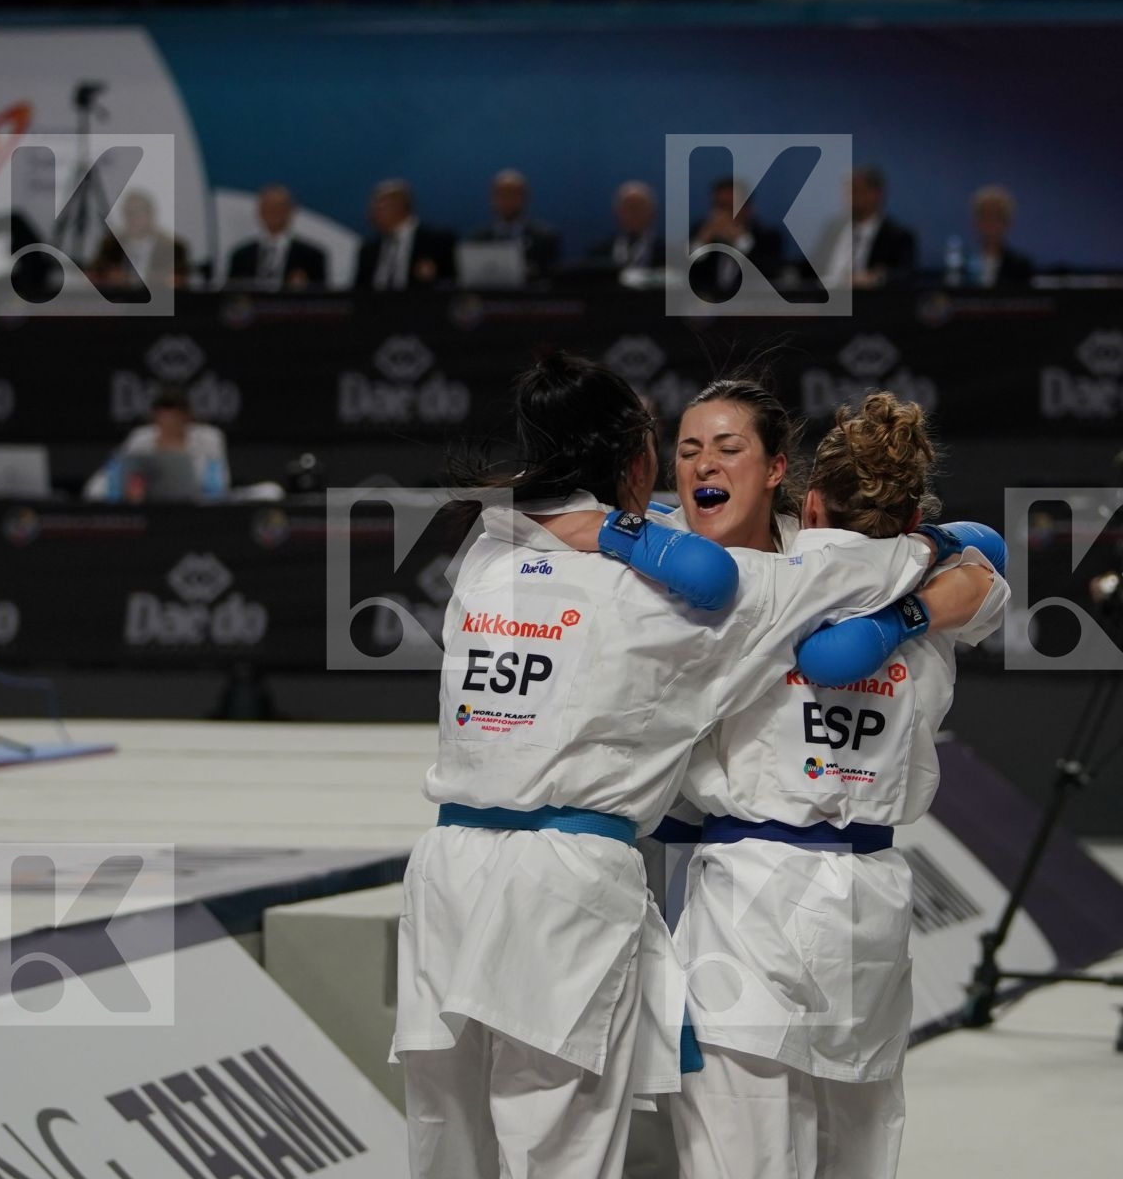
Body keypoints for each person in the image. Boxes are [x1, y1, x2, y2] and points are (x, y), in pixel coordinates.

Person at [391, 353, 945, 1179]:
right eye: (681, 449)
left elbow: (623, 533)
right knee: (559, 1151)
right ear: (643, 461)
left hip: (445, 874)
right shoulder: (686, 602)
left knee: (445, 1144)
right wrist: (941, 560)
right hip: (566, 880)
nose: (701, 467)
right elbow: (882, 562)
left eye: (724, 449)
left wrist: (608, 524)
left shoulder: (488, 551)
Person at [665, 381, 1007, 1178]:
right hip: (872, 899)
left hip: (750, 904)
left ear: (807, 501)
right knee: (854, 1152)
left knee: (737, 1157)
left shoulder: (757, 586)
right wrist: (914, 587)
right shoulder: (942, 586)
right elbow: (989, 549)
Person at [83, 383, 228, 502]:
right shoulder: (139, 438)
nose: (169, 423)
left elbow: (219, 486)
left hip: (194, 511)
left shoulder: (209, 438)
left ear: (188, 416)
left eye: (175, 418)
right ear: (155, 417)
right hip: (149, 509)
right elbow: (102, 484)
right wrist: (124, 491)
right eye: (163, 417)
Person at [689, 176, 784, 298]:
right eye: (719, 206)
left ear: (748, 209)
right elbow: (686, 273)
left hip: (750, 305)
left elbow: (768, 272)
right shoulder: (701, 232)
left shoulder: (768, 238)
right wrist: (701, 242)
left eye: (731, 206)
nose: (724, 214)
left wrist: (740, 239)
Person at [355, 180, 456, 290]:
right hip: (374, 306)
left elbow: (450, 286)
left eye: (379, 205)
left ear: (399, 205)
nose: (371, 213)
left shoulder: (437, 242)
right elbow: (358, 292)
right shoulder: (368, 250)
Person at [226, 184, 327, 290]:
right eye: (269, 207)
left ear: (291, 211)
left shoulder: (312, 257)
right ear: (260, 212)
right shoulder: (240, 257)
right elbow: (231, 299)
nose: (274, 213)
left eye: (280, 207)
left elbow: (321, 301)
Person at [87, 190, 189, 292]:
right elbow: (93, 275)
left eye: (138, 212)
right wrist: (107, 277)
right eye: (128, 213)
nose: (133, 218)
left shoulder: (172, 248)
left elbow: (177, 280)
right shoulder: (111, 245)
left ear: (151, 214)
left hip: (158, 303)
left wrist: (130, 278)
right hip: (118, 302)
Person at [469, 169, 562, 280]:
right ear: (493, 198)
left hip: (531, 295)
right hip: (489, 295)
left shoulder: (545, 237)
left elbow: (551, 277)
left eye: (513, 194)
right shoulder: (478, 239)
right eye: (502, 195)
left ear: (525, 197)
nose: (507, 200)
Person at [838, 166, 919, 290]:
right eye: (846, 193)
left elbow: (905, 275)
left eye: (854, 192)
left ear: (875, 194)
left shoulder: (899, 237)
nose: (848, 200)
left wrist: (876, 277)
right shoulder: (834, 230)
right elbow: (811, 267)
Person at [966, 185, 1033, 289]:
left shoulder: (1020, 266)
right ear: (976, 222)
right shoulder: (963, 264)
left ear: (1007, 223)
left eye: (996, 217)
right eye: (985, 216)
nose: (990, 224)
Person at [588, 180, 661, 271]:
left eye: (640, 207)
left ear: (653, 212)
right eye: (629, 208)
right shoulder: (598, 254)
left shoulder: (669, 254)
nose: (635, 213)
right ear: (617, 213)